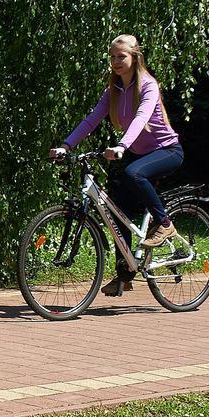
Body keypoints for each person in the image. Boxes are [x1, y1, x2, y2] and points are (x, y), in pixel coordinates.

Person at [50, 34, 184, 296]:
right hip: (136, 152)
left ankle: (164, 223)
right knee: (116, 207)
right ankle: (125, 273)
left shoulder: (148, 85)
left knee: (134, 173)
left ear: (135, 57)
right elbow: (91, 121)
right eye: (112, 56)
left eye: (121, 56)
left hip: (167, 151)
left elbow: (141, 117)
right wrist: (66, 146)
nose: (115, 61)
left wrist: (122, 145)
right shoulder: (113, 91)